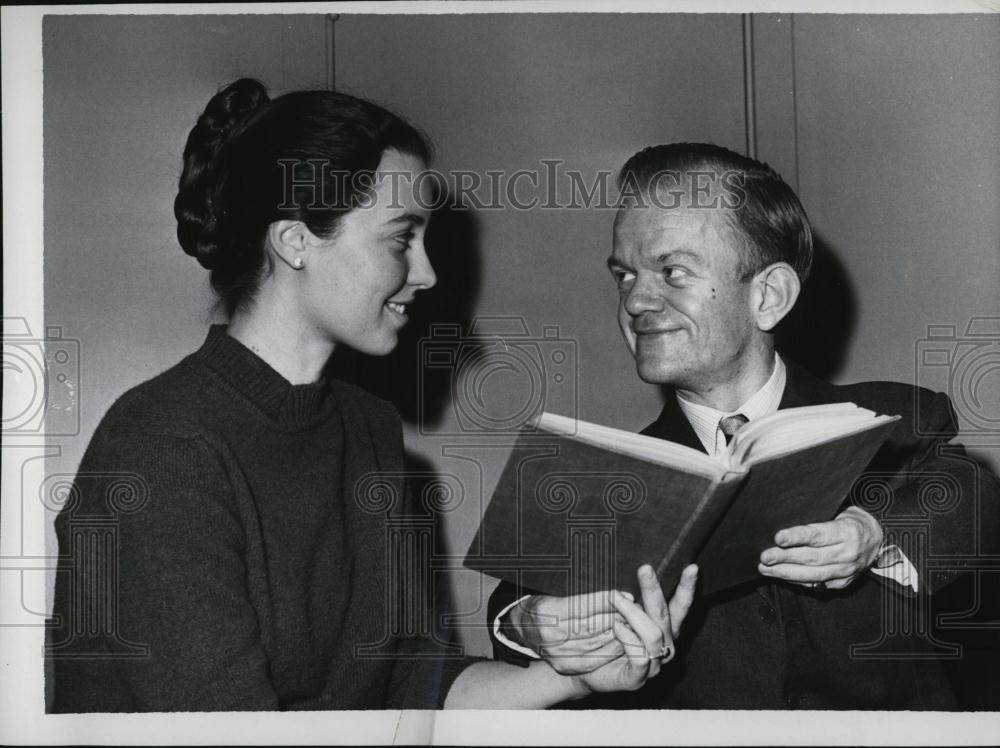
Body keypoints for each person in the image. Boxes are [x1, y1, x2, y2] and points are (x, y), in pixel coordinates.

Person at [48, 80, 698, 711]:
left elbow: (414, 689)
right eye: (399, 238)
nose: (427, 273)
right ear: (296, 241)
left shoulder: (368, 430)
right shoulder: (163, 449)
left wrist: (574, 678)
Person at [489, 142, 1000, 709]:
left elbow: (970, 497)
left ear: (768, 296)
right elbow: (518, 596)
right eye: (624, 275)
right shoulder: (605, 475)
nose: (635, 300)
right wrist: (528, 621)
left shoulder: (890, 421)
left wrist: (873, 536)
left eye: (672, 271)